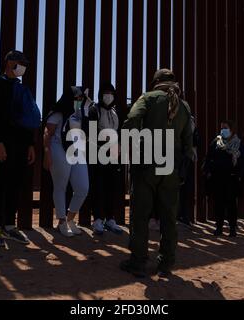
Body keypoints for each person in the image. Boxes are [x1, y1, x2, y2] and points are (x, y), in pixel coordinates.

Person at [120, 69, 195, 277]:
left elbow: (132, 121)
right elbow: (189, 142)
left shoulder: (148, 98)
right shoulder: (184, 106)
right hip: (172, 166)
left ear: (156, 82)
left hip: (147, 163)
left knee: (140, 214)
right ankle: (166, 263)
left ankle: (138, 262)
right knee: (169, 217)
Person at [0, 50, 41, 247]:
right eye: (20, 62)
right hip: (4, 142)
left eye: (24, 63)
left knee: (16, 183)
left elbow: (27, 119)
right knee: (1, 181)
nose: (23, 66)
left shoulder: (22, 88)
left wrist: (31, 145)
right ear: (9, 62)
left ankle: (9, 225)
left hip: (21, 143)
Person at [43, 86, 90, 237]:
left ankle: (70, 220)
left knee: (83, 187)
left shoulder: (82, 113)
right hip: (59, 148)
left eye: (81, 99)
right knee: (60, 186)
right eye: (77, 98)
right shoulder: (58, 112)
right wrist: (47, 153)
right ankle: (62, 222)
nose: (79, 101)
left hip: (77, 150)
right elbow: (47, 133)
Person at [89, 83, 124, 236]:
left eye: (111, 93)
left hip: (114, 152)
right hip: (99, 152)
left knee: (113, 186)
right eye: (105, 93)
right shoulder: (94, 110)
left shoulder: (116, 112)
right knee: (98, 186)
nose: (108, 96)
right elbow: (90, 133)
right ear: (100, 95)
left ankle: (110, 219)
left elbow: (120, 131)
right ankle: (97, 219)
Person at [203, 120, 244, 237]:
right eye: (222, 128)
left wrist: (239, 175)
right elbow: (209, 157)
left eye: (225, 128)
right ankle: (219, 228)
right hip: (218, 179)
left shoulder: (238, 143)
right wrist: (208, 170)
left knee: (231, 205)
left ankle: (232, 229)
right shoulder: (216, 142)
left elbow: (242, 161)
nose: (223, 130)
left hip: (231, 179)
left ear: (231, 129)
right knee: (219, 204)